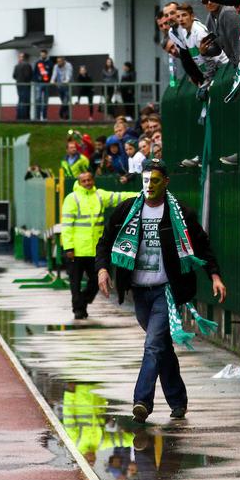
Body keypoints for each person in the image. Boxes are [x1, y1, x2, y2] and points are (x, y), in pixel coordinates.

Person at [96, 159, 227, 422]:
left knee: (153, 345)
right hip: (139, 292)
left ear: (166, 182)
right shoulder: (127, 211)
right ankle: (178, 401)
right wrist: (102, 269)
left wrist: (214, 275)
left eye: (155, 180)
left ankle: (141, 401)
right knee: (161, 347)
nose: (149, 185)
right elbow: (105, 241)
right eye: (146, 180)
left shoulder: (179, 214)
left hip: (166, 292)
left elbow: (201, 245)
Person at [61, 171, 138, 319]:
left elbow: (118, 197)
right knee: (75, 283)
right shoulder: (72, 199)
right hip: (76, 250)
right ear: (79, 182)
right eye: (84, 181)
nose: (88, 183)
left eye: (90, 180)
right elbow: (67, 225)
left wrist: (140, 194)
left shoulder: (99, 195)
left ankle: (82, 302)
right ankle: (78, 310)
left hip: (94, 250)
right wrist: (68, 247)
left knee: (96, 282)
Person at [51, 56, 74, 120]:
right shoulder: (56, 66)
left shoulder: (68, 65)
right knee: (63, 101)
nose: (58, 63)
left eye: (60, 61)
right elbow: (54, 74)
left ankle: (61, 114)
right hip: (60, 86)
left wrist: (66, 81)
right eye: (57, 61)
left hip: (68, 86)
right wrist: (52, 81)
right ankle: (67, 115)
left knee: (65, 101)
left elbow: (68, 75)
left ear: (63, 61)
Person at [33, 48, 52, 120]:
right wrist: (36, 79)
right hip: (39, 83)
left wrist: (50, 81)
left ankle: (44, 116)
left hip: (47, 84)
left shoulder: (50, 63)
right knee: (38, 99)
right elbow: (34, 73)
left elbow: (51, 73)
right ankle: (38, 117)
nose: (43, 56)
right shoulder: (38, 63)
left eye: (44, 54)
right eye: (41, 55)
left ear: (46, 55)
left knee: (45, 100)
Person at [12, 51, 32, 120]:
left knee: (20, 100)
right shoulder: (27, 65)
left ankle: (19, 116)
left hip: (18, 84)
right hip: (25, 85)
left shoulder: (17, 65)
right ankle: (24, 117)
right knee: (25, 101)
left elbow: (14, 76)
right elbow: (28, 76)